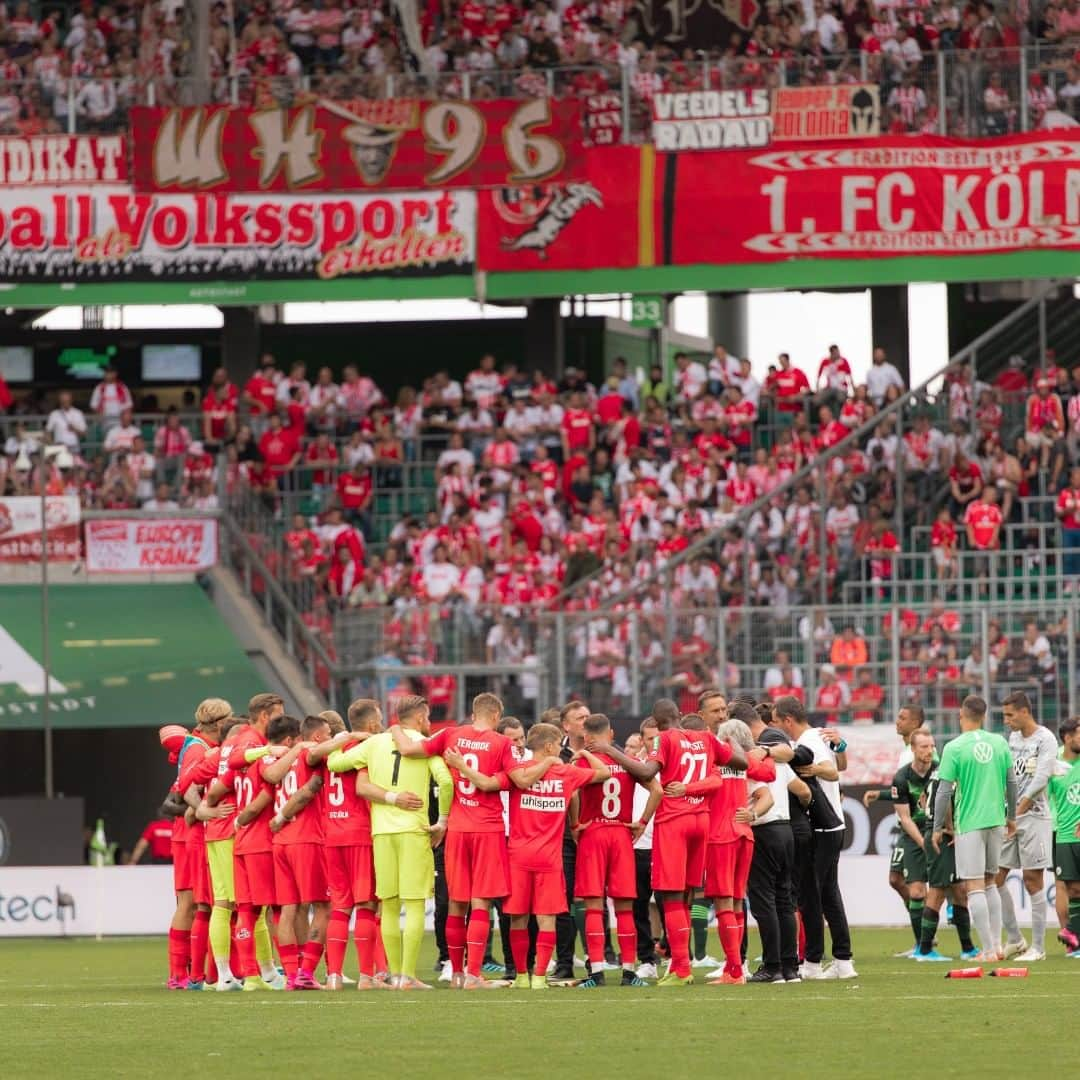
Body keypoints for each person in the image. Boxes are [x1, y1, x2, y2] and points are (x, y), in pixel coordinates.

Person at [390, 691, 518, 990]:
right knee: (481, 903)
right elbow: (500, 782)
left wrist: (394, 726)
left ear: (474, 713)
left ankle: (457, 973)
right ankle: (474, 975)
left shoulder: (450, 734)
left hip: (457, 829)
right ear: (497, 716)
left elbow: (408, 750)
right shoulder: (503, 743)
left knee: (457, 904)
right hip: (487, 829)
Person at [327, 695, 452, 990]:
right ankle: (407, 977)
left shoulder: (374, 743)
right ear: (420, 718)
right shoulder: (425, 745)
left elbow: (334, 762)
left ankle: (394, 975)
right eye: (428, 717)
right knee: (415, 902)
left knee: (391, 906)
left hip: (381, 833)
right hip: (413, 831)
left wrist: (350, 737)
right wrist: (442, 822)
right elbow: (445, 782)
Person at [638, 706, 746, 986]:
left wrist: (614, 755)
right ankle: (689, 965)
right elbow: (741, 763)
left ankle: (682, 969)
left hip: (674, 821)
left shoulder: (665, 738)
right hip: (702, 821)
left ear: (660, 724)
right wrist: (733, 744)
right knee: (688, 894)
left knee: (672, 897)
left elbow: (649, 771)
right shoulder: (707, 739)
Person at [572, 713, 659, 988]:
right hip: (621, 833)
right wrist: (642, 823)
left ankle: (596, 972)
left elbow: (572, 793)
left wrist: (575, 824)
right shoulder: (627, 762)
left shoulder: (583, 759)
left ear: (586, 737)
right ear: (610, 734)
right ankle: (629, 973)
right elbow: (657, 790)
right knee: (624, 908)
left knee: (594, 907)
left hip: (593, 832)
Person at [774, 695, 857, 979]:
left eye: (776, 721)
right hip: (834, 824)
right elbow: (841, 765)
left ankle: (811, 962)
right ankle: (843, 960)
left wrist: (813, 769)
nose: (776, 727)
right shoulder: (816, 737)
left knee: (811, 896)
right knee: (828, 893)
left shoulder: (808, 741)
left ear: (787, 720)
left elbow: (833, 772)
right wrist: (840, 748)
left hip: (823, 825)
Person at [931, 695, 1016, 962]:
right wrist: (1011, 815)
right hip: (996, 820)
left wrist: (937, 826)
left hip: (969, 823)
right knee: (991, 881)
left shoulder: (954, 747)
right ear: (984, 716)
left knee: (974, 886)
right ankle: (998, 946)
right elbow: (1011, 783)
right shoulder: (1000, 742)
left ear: (961, 715)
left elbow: (944, 791)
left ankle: (988, 950)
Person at [267, 714, 333, 990]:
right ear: (317, 737)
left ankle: (293, 976)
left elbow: (270, 777)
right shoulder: (310, 753)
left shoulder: (279, 760)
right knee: (324, 906)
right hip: (305, 839)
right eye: (328, 733)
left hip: (280, 842)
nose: (330, 738)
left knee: (288, 910)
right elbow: (306, 793)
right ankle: (306, 972)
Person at [993, 691, 1058, 961]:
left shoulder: (1046, 739)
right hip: (1011, 817)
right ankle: (1016, 939)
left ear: (1024, 712)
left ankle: (1039, 948)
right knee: (995, 878)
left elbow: (1041, 777)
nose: (1006, 721)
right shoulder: (1013, 739)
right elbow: (1010, 777)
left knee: (1033, 880)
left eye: (1010, 715)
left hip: (1035, 817)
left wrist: (1017, 812)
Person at [862, 704, 929, 955]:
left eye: (903, 718)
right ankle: (924, 935)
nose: (897, 722)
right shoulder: (905, 752)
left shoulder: (920, 754)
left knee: (917, 886)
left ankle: (926, 939)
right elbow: (904, 793)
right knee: (897, 879)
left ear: (916, 722)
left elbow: (920, 791)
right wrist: (880, 794)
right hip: (905, 826)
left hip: (917, 827)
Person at [889, 728, 936, 954]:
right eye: (924, 747)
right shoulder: (901, 777)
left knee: (959, 891)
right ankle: (922, 947)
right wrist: (923, 844)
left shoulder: (941, 771)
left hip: (939, 831)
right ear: (913, 749)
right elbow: (905, 818)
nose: (929, 751)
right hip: (914, 835)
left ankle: (968, 948)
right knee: (916, 891)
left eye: (932, 746)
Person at [1049, 717, 1080, 954]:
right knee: (1066, 886)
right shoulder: (1054, 763)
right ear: (1068, 737)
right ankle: (1071, 938)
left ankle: (1072, 933)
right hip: (1060, 832)